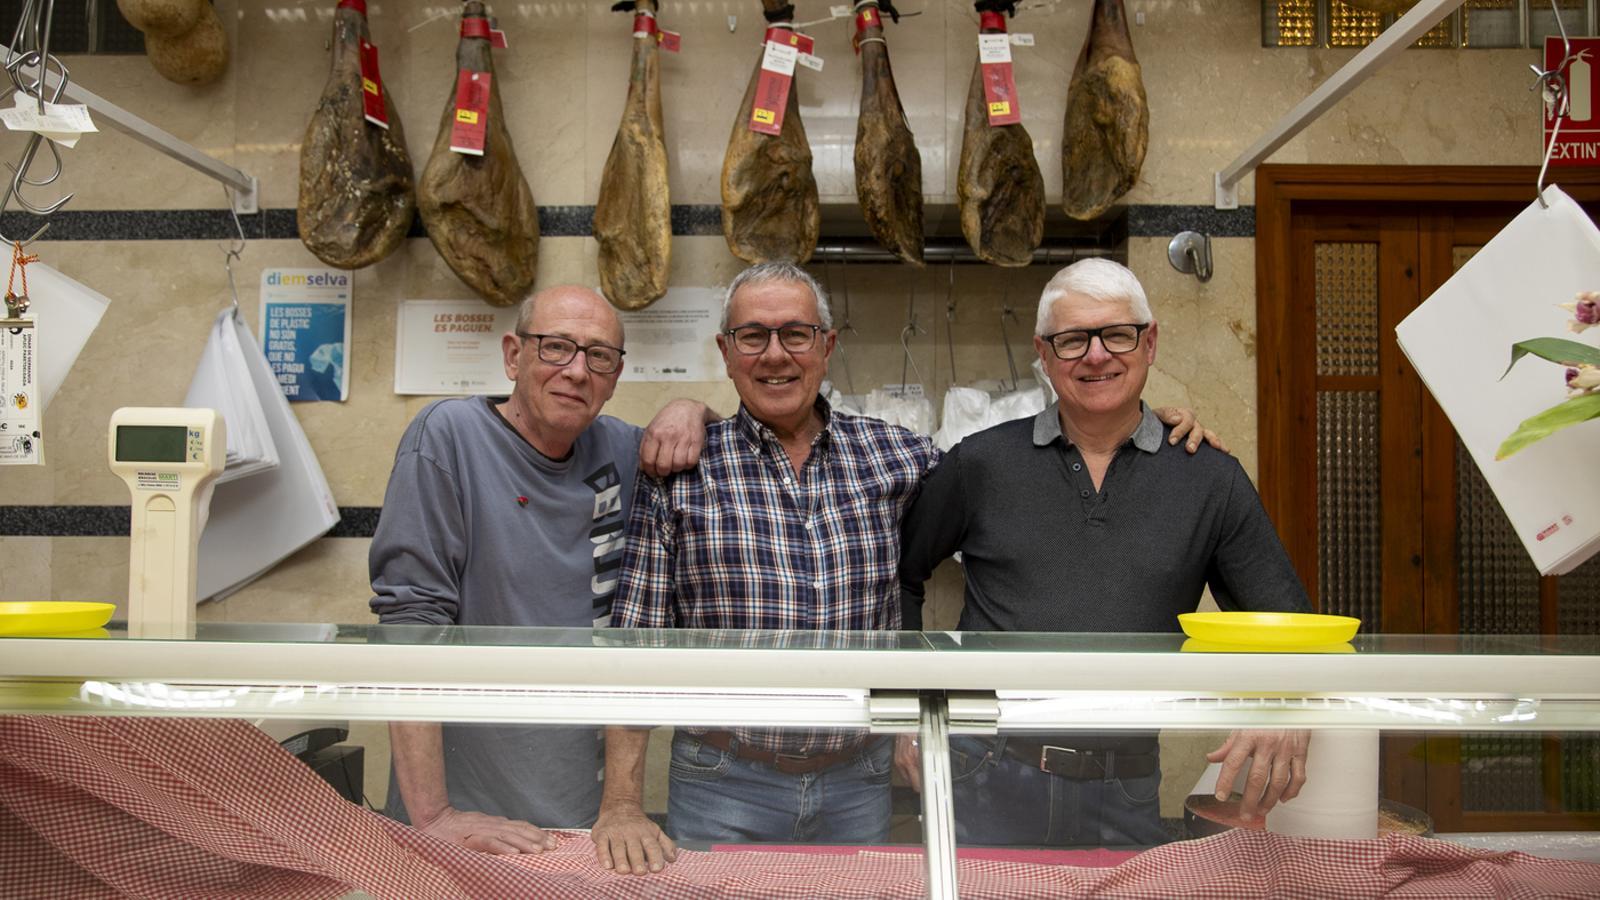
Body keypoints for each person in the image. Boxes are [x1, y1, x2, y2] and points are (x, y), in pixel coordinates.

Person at [590, 262, 1222, 875]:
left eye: (796, 334)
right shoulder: (679, 471)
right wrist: (620, 804)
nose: (775, 354)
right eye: (753, 336)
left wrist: (1145, 428)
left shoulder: (896, 455)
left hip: (858, 782)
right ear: (726, 352)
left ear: (827, 345)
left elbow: (1025, 476)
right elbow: (633, 644)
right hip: (722, 781)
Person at [898, 258, 1313, 849]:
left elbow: (1286, 620)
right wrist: (906, 712)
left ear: (1149, 344)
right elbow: (900, 574)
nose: (1096, 356)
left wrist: (1283, 709)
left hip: (1127, 785)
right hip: (984, 772)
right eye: (1072, 341)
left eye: (1116, 334)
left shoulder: (1208, 480)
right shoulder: (981, 464)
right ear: (1043, 355)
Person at [368, 284, 709, 855]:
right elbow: (410, 625)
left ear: (615, 376)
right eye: (556, 347)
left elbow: (728, 447)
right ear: (513, 355)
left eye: (599, 355)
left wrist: (692, 409)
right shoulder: (448, 437)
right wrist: (434, 816)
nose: (577, 371)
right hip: (461, 816)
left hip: (579, 808)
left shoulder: (624, 450)